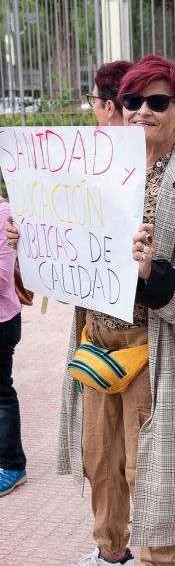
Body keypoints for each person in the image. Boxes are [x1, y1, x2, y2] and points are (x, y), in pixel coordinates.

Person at [8, 56, 175, 566]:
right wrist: (37, 244)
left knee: (150, 470)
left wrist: (149, 272)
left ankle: (158, 559)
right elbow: (70, 264)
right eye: (133, 101)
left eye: (158, 102)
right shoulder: (94, 169)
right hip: (96, 342)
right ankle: (111, 553)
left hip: (156, 352)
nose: (142, 112)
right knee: (100, 461)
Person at [0, 195, 26, 498]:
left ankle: (13, 464)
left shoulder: (5, 213)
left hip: (3, 322)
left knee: (2, 393)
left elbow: (3, 277)